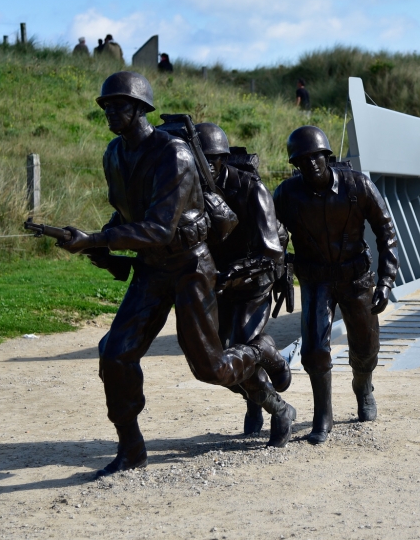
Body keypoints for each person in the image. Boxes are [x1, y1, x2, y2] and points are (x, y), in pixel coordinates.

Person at [57, 71, 296, 477]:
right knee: (114, 354)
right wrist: (94, 244)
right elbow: (127, 212)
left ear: (140, 109)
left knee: (211, 368)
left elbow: (159, 228)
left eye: (118, 105)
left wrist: (96, 239)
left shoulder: (175, 155)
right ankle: (131, 449)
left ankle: (264, 355)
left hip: (189, 265)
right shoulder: (113, 154)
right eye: (106, 105)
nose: (110, 112)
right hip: (152, 268)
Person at [273, 126, 398, 445]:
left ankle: (363, 387)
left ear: (326, 156)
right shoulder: (287, 194)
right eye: (302, 160)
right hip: (315, 279)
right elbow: (273, 231)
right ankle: (322, 418)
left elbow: (387, 234)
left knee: (366, 348)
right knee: (314, 350)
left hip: (356, 278)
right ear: (295, 164)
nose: (311, 164)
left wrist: (385, 281)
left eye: (316, 156)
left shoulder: (358, 186)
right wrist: (278, 251)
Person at [197, 123, 286, 435]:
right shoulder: (189, 190)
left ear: (222, 159)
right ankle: (260, 392)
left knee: (240, 347)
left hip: (254, 282)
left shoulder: (251, 188)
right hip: (217, 283)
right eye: (197, 160)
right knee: (214, 362)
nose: (201, 167)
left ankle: (273, 403)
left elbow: (272, 250)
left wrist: (237, 271)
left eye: (209, 160)